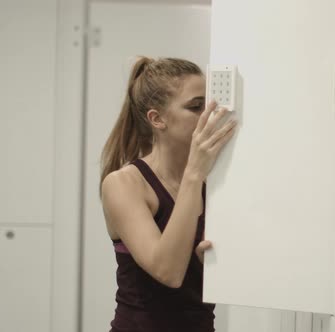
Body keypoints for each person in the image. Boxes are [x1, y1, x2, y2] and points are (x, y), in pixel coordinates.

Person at [99, 56, 237, 332]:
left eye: (210, 105)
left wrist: (213, 263)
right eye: (196, 107)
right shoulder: (124, 184)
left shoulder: (214, 181)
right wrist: (194, 174)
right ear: (157, 119)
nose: (208, 116)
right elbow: (168, 272)